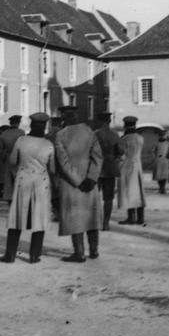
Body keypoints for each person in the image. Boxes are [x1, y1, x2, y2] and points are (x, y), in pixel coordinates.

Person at [0, 113, 56, 264]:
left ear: (31, 125)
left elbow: (12, 160)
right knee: (39, 218)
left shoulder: (21, 140)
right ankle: (34, 256)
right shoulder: (48, 145)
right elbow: (53, 168)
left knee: (17, 217)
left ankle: (10, 255)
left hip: (23, 180)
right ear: (44, 127)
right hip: (41, 182)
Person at [54, 106, 104, 262]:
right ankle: (94, 250)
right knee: (91, 216)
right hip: (90, 183)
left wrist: (77, 181)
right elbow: (98, 157)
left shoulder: (61, 135)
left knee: (75, 218)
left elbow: (63, 162)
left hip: (71, 183)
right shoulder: (89, 132)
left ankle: (79, 252)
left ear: (64, 118)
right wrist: (91, 178)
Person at [94, 111, 123, 230]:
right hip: (110, 168)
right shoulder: (115, 135)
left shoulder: (94, 134)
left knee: (94, 197)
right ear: (109, 121)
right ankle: (106, 223)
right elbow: (120, 151)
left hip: (96, 168)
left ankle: (94, 221)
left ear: (99, 121)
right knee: (108, 198)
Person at [116, 115, 146, 225]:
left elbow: (120, 152)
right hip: (138, 166)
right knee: (139, 192)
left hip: (127, 167)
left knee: (129, 192)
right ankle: (141, 217)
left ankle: (131, 217)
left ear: (125, 125)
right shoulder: (140, 138)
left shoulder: (124, 139)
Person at [0, 115, 25, 201]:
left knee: (8, 179)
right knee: (18, 178)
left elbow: (0, 148)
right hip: (19, 157)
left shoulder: (4, 133)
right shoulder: (21, 132)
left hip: (8, 157)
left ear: (10, 123)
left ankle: (9, 197)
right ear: (18, 123)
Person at [46, 116, 64, 222]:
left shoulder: (48, 136)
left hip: (51, 165)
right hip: (62, 165)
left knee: (53, 190)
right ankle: (63, 211)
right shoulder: (65, 134)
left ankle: (56, 212)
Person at [152, 130, 169, 194]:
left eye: (163, 135)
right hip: (158, 160)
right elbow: (153, 151)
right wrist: (154, 158)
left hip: (165, 160)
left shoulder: (168, 143)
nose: (162, 136)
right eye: (161, 135)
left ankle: (163, 188)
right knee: (159, 176)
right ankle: (160, 187)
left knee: (164, 176)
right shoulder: (156, 143)